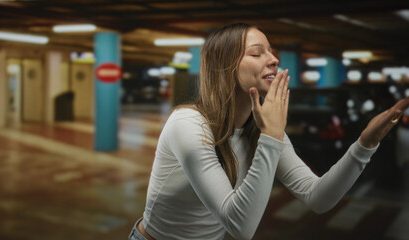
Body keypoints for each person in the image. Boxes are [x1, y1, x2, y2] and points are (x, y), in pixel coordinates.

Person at [129, 22, 409, 240]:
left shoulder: (260, 128)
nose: (274, 59)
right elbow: (240, 226)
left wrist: (365, 144)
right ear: (225, 67)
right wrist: (272, 137)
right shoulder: (188, 124)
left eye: (271, 51)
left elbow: (318, 197)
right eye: (257, 52)